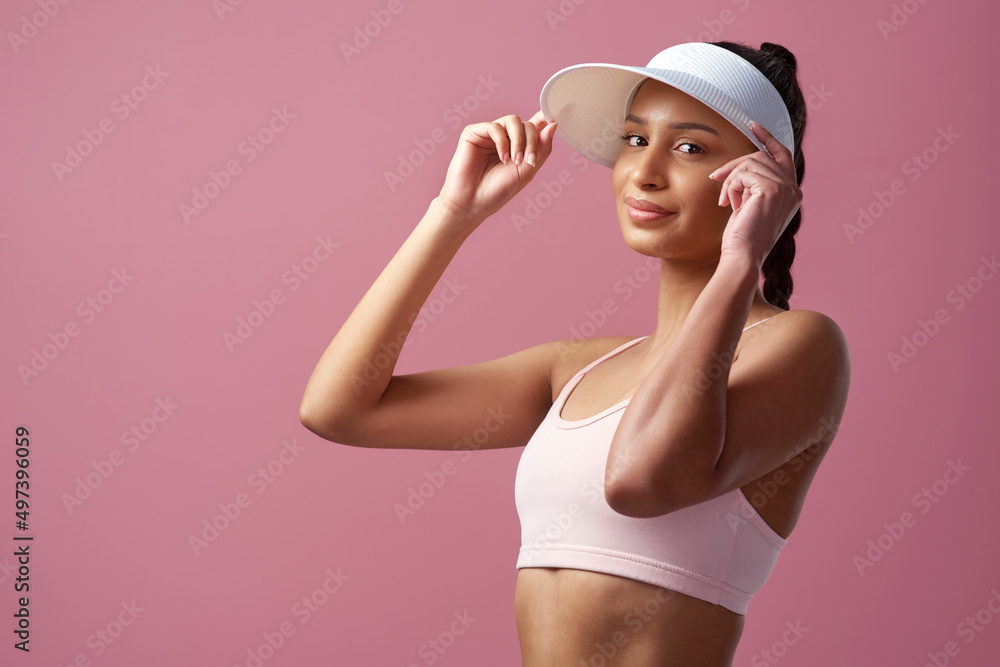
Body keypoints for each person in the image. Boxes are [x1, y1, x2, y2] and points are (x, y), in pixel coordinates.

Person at [300, 40, 850, 666]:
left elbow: (641, 481)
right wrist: (453, 213)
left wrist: (742, 259)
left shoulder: (802, 346)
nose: (644, 172)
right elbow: (339, 409)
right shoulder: (578, 368)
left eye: (691, 147)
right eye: (636, 140)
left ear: (763, 183)